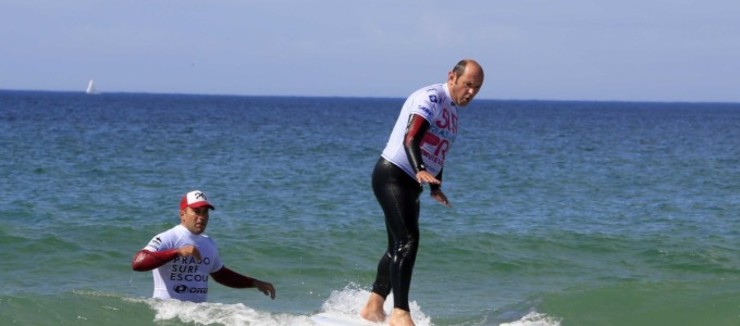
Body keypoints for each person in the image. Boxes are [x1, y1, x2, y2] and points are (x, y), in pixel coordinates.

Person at [360, 59, 484, 326]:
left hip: (411, 183)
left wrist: (435, 186)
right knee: (408, 240)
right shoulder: (431, 97)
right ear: (452, 77)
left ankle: (373, 305)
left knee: (397, 245)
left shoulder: (452, 114)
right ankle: (400, 314)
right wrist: (419, 169)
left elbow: (437, 152)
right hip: (392, 174)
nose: (472, 92)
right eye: (468, 85)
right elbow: (411, 138)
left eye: (477, 88)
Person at [131, 190, 276, 303]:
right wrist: (177, 252)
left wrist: (254, 282)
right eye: (196, 211)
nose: (202, 217)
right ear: (182, 214)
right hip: (168, 314)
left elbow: (220, 274)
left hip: (196, 317)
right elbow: (138, 263)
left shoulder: (209, 243)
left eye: (205, 212)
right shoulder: (168, 238)